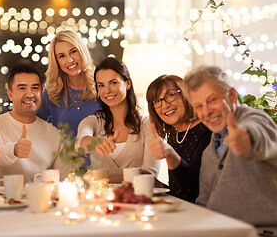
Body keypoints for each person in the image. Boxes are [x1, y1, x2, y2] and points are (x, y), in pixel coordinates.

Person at [182, 65, 277, 229]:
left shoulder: (253, 120)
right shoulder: (209, 152)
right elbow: (204, 202)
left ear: (232, 96)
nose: (206, 112)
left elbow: (259, 136)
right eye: (199, 106)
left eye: (212, 100)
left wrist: (247, 140)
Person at [0, 64, 70, 183]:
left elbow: (62, 179)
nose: (30, 94)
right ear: (10, 94)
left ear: (41, 92)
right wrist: (14, 150)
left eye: (35, 88)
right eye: (22, 88)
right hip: (0, 201)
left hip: (41, 200)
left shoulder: (56, 135)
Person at [75, 57, 160, 183]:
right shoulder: (92, 122)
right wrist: (96, 142)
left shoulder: (147, 124)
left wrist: (102, 179)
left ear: (128, 83)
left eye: (113, 83)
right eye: (101, 85)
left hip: (136, 199)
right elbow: (79, 144)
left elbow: (151, 173)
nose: (107, 90)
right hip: (101, 200)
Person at [37, 30, 100, 165]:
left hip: (101, 169)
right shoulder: (51, 92)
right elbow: (29, 120)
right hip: (65, 170)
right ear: (57, 61)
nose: (70, 60)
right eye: (62, 56)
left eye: (73, 51)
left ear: (81, 51)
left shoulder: (101, 86)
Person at [146, 75, 212, 203]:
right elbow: (180, 192)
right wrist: (154, 183)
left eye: (170, 95)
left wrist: (170, 154)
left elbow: (193, 190)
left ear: (186, 94)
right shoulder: (175, 136)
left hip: (205, 215)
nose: (164, 105)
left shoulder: (207, 129)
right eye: (157, 101)